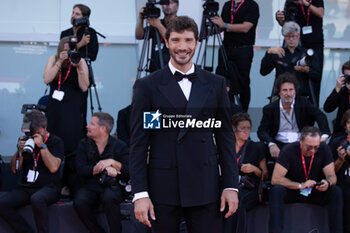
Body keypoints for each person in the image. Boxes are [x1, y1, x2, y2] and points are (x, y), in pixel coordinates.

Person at [130, 16, 239, 233]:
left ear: (196, 43)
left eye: (188, 40)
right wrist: (140, 193)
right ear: (167, 42)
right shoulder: (147, 86)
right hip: (163, 187)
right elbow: (139, 144)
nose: (183, 47)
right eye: (177, 40)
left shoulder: (216, 84)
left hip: (205, 185)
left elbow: (226, 137)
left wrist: (230, 185)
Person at [269, 126, 342, 233]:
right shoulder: (289, 150)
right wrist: (300, 185)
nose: (313, 150)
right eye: (309, 147)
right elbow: (275, 179)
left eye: (316, 147)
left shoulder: (324, 149)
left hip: (315, 190)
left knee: (335, 191)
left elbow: (332, 176)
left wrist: (327, 182)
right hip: (294, 190)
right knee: (276, 191)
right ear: (300, 141)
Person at [0, 110, 64, 233]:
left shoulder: (56, 141)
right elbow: (15, 169)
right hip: (27, 187)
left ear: (43, 128)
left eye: (37, 133)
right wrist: (19, 151)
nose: (33, 136)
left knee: (37, 199)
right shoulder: (27, 140)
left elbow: (54, 168)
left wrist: (42, 146)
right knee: (2, 204)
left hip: (49, 187)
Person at [43, 36, 89, 196]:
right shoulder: (53, 59)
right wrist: (59, 62)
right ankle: (51, 183)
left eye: (71, 50)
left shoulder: (80, 61)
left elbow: (84, 87)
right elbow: (46, 79)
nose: (68, 53)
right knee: (52, 143)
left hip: (72, 109)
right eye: (65, 50)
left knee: (71, 145)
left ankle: (68, 185)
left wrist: (79, 67)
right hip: (55, 109)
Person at [74, 112, 129, 233]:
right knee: (79, 201)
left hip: (112, 185)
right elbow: (80, 169)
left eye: (92, 124)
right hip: (90, 186)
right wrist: (103, 167)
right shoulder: (84, 144)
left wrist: (113, 163)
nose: (87, 126)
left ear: (103, 128)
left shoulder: (120, 146)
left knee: (110, 198)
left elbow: (129, 170)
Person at [257, 72, 330, 160]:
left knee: (323, 149)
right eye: (285, 90)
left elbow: (320, 115)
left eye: (291, 90)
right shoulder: (270, 108)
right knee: (259, 147)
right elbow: (262, 131)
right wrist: (271, 144)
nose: (288, 94)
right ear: (279, 92)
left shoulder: (303, 102)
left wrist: (324, 136)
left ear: (295, 90)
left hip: (301, 143)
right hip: (278, 144)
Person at [223, 112, 268, 233]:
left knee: (238, 201)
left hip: (248, 187)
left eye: (248, 128)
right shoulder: (226, 146)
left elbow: (265, 174)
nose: (246, 132)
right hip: (229, 185)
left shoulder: (256, 147)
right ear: (234, 128)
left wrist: (255, 169)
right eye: (243, 128)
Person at [211, 0, 259, 111]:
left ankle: (243, 113)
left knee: (243, 82)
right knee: (224, 82)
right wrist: (210, 29)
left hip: (243, 49)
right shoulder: (228, 4)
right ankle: (227, 112)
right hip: (226, 48)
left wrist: (225, 25)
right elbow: (221, 27)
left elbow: (245, 28)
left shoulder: (252, 5)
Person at [276, 0, 325, 106]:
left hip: (314, 44)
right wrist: (280, 19)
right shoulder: (290, 1)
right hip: (297, 44)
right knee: (294, 75)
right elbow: (287, 24)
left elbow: (320, 13)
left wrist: (305, 3)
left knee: (314, 76)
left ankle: (312, 111)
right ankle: (292, 107)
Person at [260, 21, 321, 104]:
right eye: (288, 36)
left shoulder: (307, 54)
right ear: (284, 37)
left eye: (294, 36)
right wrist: (268, 52)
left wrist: (307, 70)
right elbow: (263, 71)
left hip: (302, 96)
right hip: (281, 96)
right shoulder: (278, 53)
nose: (291, 39)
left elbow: (317, 75)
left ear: (299, 36)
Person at [135, 0, 179, 73]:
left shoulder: (181, 23)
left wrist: (158, 26)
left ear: (177, 7)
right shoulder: (157, 23)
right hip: (155, 71)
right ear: (161, 6)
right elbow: (139, 36)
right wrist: (141, 19)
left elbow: (173, 41)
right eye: (165, 3)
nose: (167, 5)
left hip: (172, 71)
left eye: (170, 3)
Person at [329, 109, 350, 233]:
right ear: (345, 126)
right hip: (344, 183)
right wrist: (340, 160)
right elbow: (331, 170)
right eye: (349, 122)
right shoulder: (337, 142)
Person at [323, 61, 350, 141]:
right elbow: (327, 108)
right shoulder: (341, 91)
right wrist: (337, 88)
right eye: (347, 77)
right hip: (341, 132)